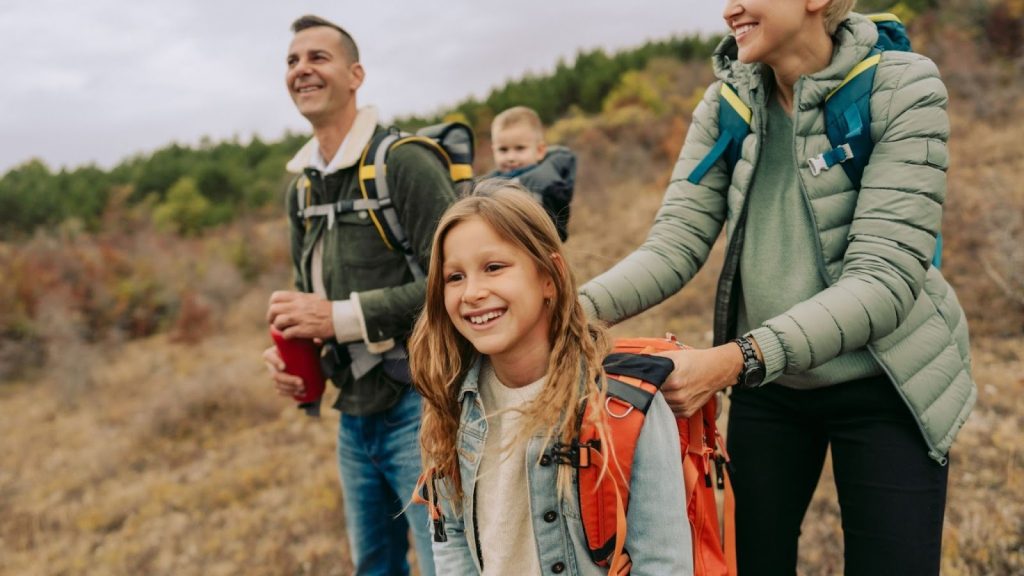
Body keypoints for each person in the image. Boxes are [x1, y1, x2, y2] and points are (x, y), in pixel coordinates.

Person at [578, 2, 976, 575]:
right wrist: (566, 314)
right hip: (772, 386)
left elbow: (884, 280)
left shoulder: (904, 85)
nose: (729, 8)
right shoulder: (726, 104)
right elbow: (673, 245)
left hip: (887, 381)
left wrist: (734, 360)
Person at [408, 180, 693, 575]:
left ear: (549, 277)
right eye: (454, 277)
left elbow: (665, 563)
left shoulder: (623, 402)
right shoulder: (451, 397)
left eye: (493, 268)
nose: (471, 292)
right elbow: (452, 533)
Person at [261, 14, 455, 576]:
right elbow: (310, 299)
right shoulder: (301, 187)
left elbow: (458, 287)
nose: (302, 70)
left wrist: (338, 317)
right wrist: (295, 356)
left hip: (421, 406)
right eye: (292, 61)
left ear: (355, 74)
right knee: (373, 565)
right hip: (354, 415)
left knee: (447, 560)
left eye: (317, 58)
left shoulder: (405, 162)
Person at [486, 106, 576, 241]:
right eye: (503, 150)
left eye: (520, 148)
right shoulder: (486, 185)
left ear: (539, 151)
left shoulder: (547, 184)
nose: (511, 157)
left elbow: (558, 233)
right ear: (494, 151)